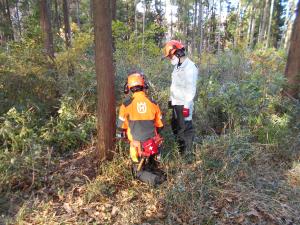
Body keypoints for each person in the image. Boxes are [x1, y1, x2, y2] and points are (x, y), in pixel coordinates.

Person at [117, 72, 165, 186]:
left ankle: (157, 181)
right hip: (153, 142)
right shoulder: (153, 103)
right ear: (144, 86)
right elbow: (160, 125)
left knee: (137, 172)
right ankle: (154, 169)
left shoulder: (126, 105)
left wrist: (121, 135)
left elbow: (120, 127)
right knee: (152, 163)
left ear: (128, 88)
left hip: (136, 144)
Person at [162, 40, 198, 154]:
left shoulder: (190, 67)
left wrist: (187, 106)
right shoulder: (178, 66)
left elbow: (191, 88)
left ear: (178, 53)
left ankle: (187, 154)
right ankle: (180, 150)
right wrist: (170, 100)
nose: (170, 58)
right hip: (176, 102)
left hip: (184, 104)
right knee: (175, 126)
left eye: (170, 56)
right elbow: (175, 85)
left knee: (185, 128)